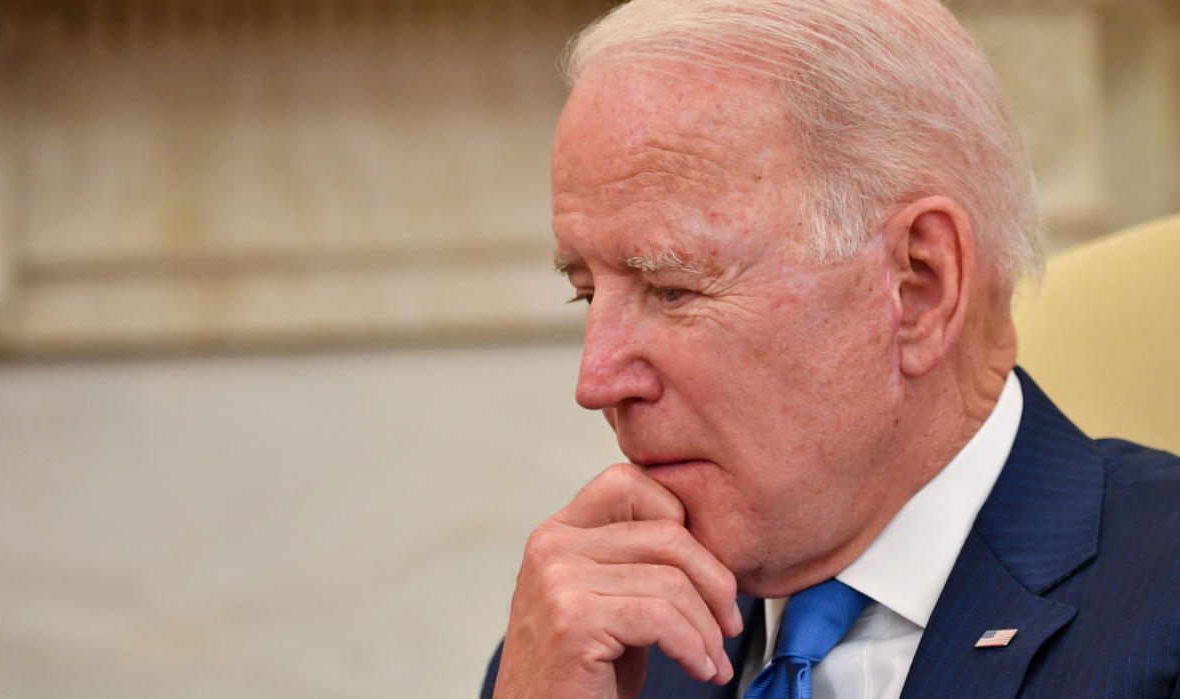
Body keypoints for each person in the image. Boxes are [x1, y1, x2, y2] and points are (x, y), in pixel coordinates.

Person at [481, 0, 1180, 697]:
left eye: (671, 289)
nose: (597, 380)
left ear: (917, 287)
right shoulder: (587, 649)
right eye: (585, 293)